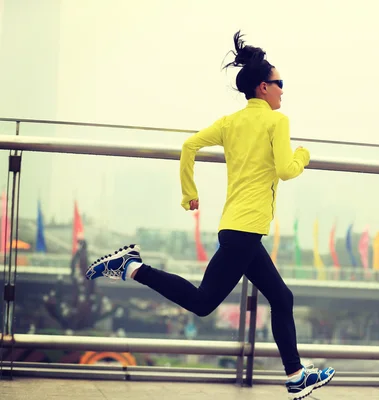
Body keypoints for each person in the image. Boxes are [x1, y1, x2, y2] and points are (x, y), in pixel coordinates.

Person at [86, 30, 335, 399]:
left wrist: (190, 194)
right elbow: (285, 169)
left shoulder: (230, 122)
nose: (283, 89)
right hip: (246, 232)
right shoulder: (276, 122)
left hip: (238, 229)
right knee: (204, 303)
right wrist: (304, 155)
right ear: (263, 88)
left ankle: (296, 375)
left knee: (282, 299)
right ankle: (131, 267)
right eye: (279, 83)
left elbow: (189, 145)